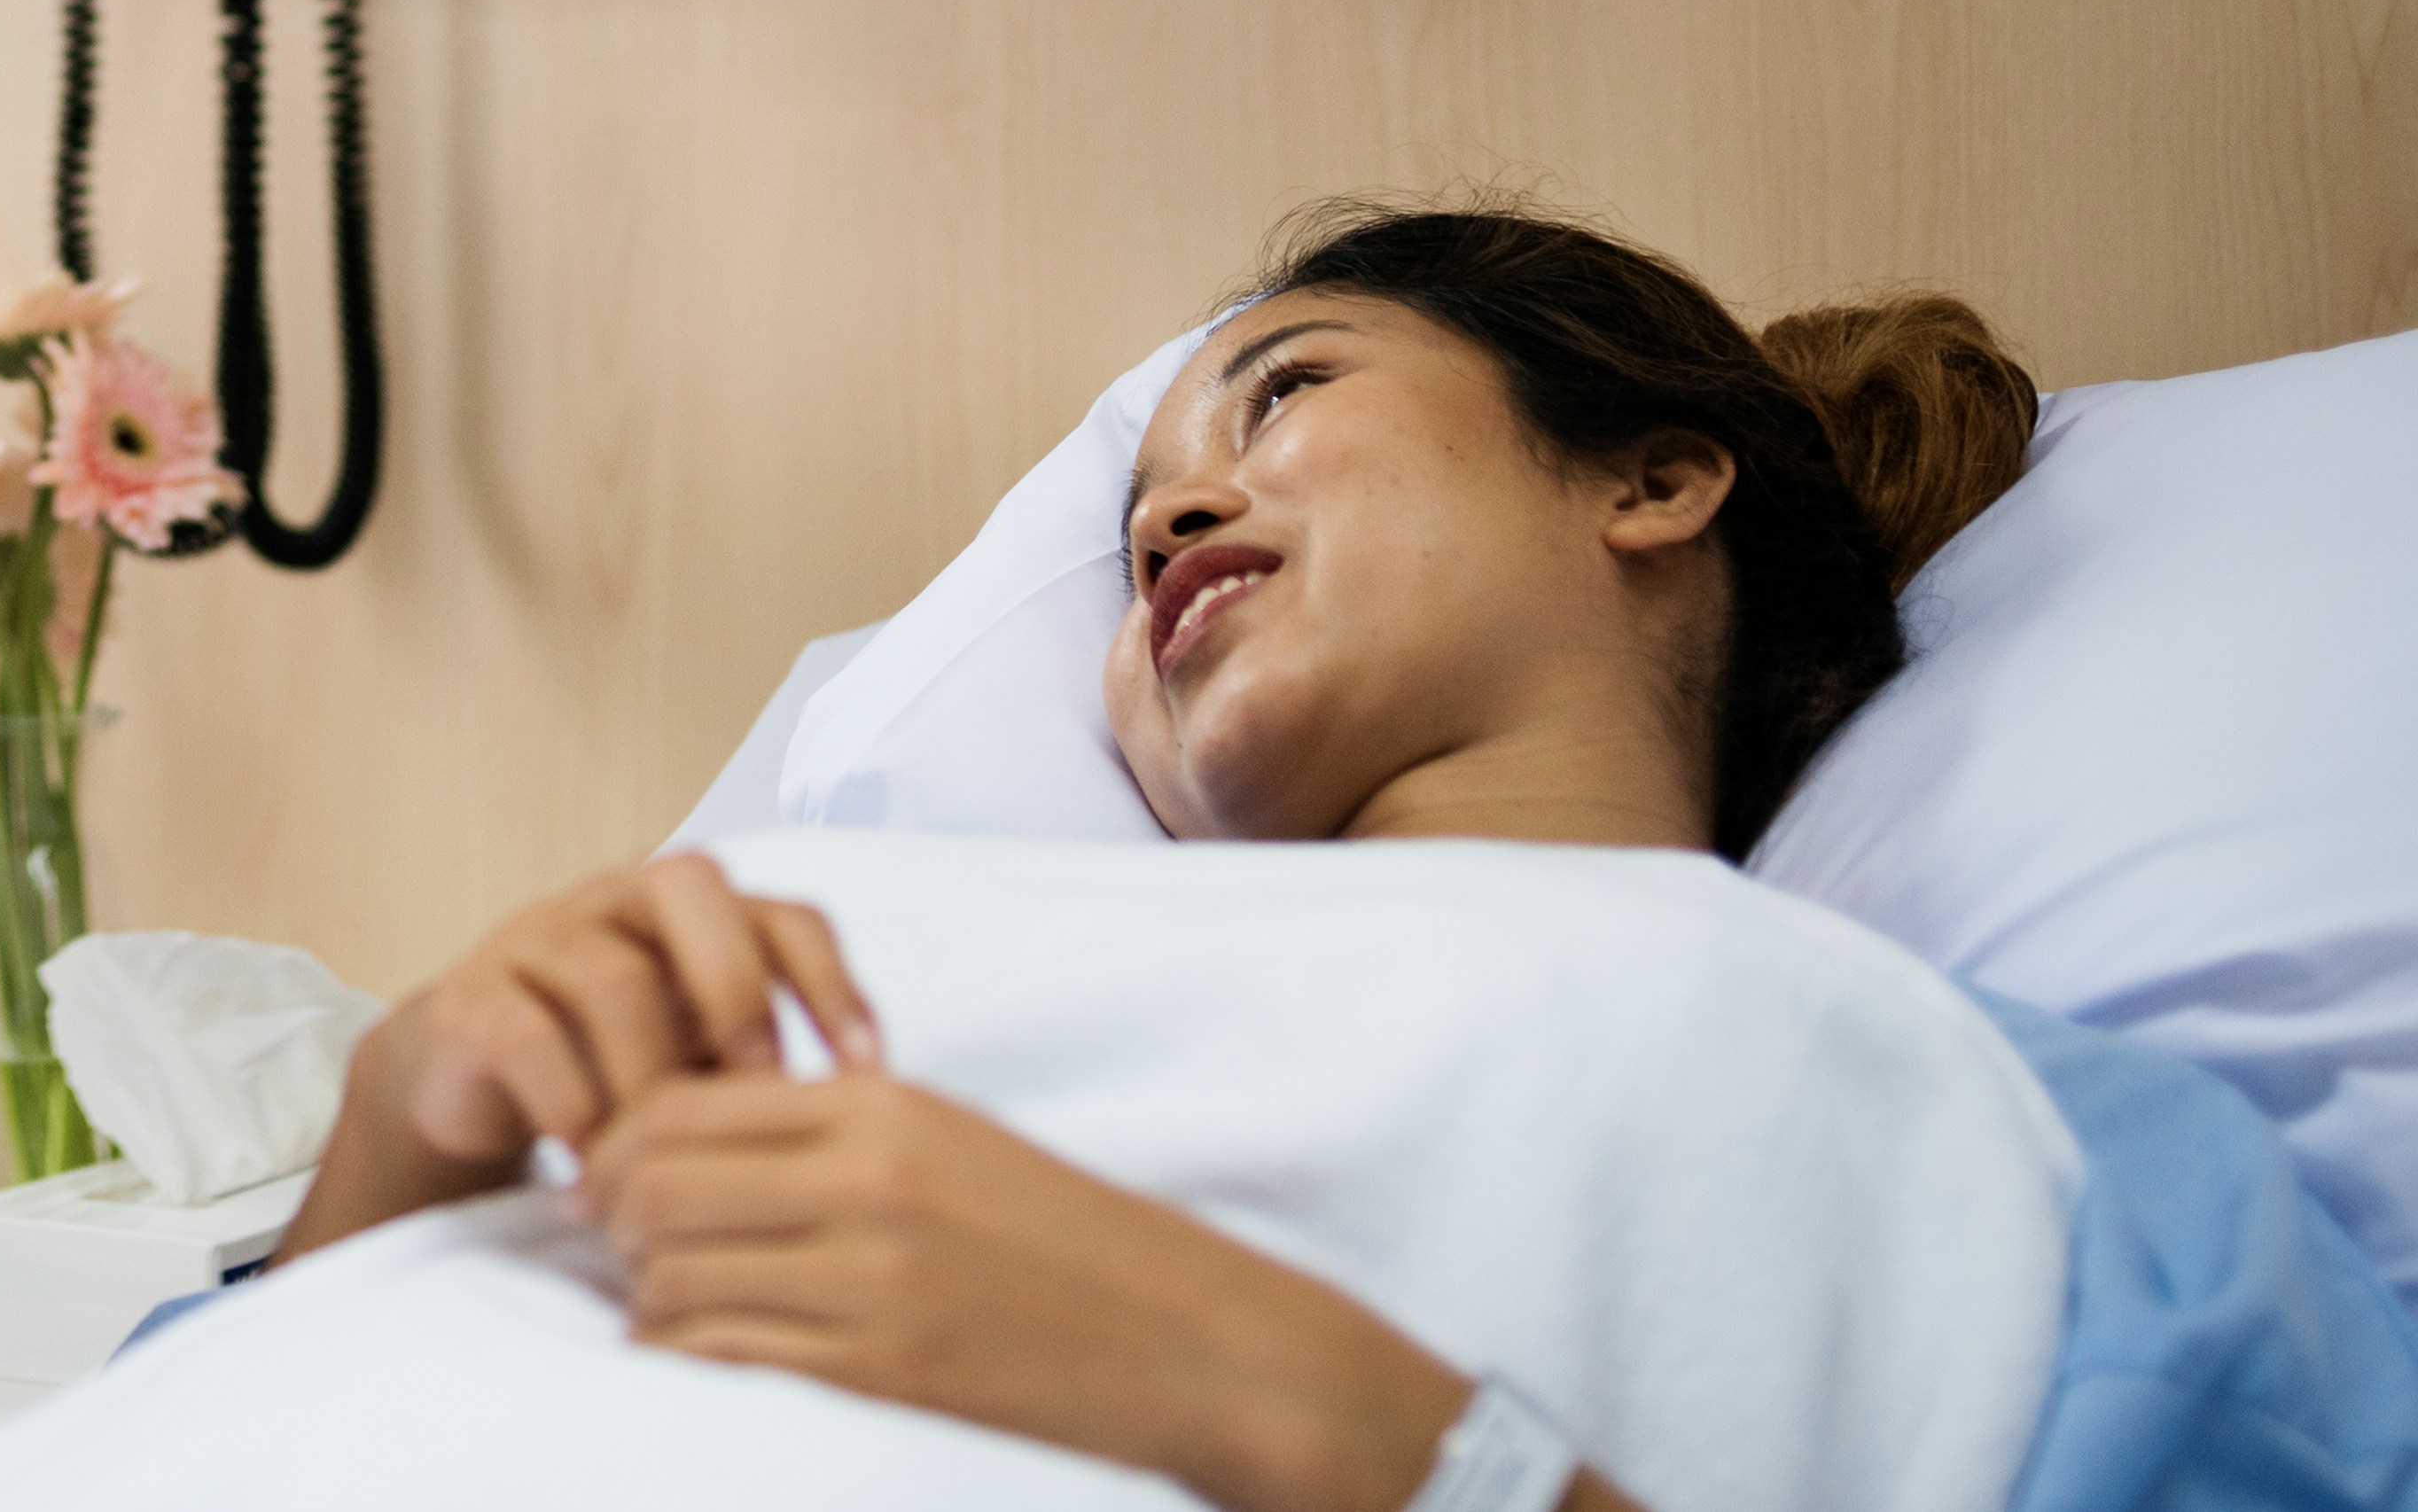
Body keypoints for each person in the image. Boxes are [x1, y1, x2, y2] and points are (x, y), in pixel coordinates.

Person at [269, 203, 2418, 1512]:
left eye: (1279, 398)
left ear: (1655, 481)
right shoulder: (857, 949)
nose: (1168, 519)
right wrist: (397, 1131)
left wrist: (1338, 1424)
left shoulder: (1989, 1129)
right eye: (1138, 526)